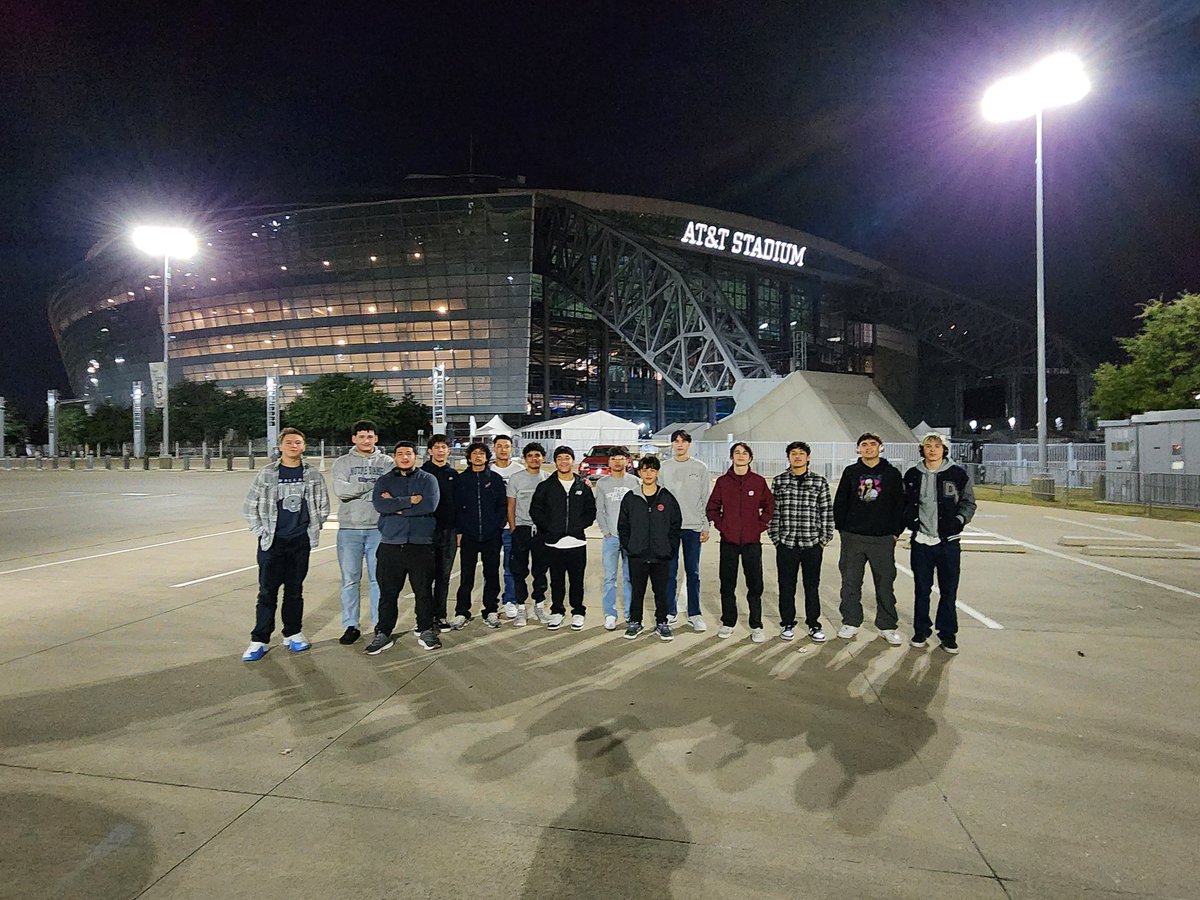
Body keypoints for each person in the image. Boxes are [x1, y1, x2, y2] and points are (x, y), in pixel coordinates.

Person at [241, 427, 331, 661]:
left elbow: (323, 506)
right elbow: (250, 505)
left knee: (295, 591)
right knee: (267, 592)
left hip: (299, 542)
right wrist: (261, 531)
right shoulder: (267, 474)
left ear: (304, 446)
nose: (294, 446)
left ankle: (293, 633)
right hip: (272, 543)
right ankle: (259, 639)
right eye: (289, 442)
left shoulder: (312, 475)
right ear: (280, 446)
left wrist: (311, 527)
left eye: (298, 442)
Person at [902, 432, 977, 655]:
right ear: (922, 449)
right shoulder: (913, 474)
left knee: (948, 590)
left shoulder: (957, 474)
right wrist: (910, 520)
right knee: (922, 589)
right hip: (922, 541)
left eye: (937, 446)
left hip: (948, 542)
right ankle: (921, 629)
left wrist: (958, 521)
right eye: (928, 446)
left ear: (944, 449)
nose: (932, 449)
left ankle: (947, 634)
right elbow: (904, 502)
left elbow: (968, 502)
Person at [365, 441, 441, 654]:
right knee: (388, 593)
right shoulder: (385, 480)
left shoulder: (428, 479)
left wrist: (396, 506)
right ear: (394, 457)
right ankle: (384, 632)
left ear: (416, 456)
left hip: (420, 545)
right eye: (400, 454)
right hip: (391, 544)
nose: (404, 457)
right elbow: (380, 505)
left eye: (409, 453)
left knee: (423, 591)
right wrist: (410, 501)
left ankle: (425, 628)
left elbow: (429, 506)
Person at [832, 432, 906, 645]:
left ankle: (887, 625)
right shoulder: (851, 472)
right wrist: (843, 529)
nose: (868, 448)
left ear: (880, 448)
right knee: (851, 582)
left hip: (882, 537)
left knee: (884, 583)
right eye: (864, 444)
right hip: (854, 536)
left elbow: (899, 504)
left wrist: (895, 532)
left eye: (873, 444)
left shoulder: (891, 473)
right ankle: (851, 621)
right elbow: (841, 502)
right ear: (858, 449)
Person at [706, 442, 774, 643]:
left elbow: (769, 507)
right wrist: (722, 526)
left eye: (745, 453)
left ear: (750, 458)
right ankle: (728, 621)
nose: (741, 456)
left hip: (752, 542)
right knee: (727, 584)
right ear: (732, 457)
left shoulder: (758, 482)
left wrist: (759, 526)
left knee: (755, 584)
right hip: (729, 542)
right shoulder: (723, 482)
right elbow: (712, 508)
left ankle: (756, 624)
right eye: (737, 453)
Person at [331, 420, 391, 646]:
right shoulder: (342, 462)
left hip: (379, 529)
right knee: (350, 580)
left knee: (379, 581)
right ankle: (351, 625)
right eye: (362, 437)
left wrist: (357, 490)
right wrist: (371, 489)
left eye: (370, 437)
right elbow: (341, 491)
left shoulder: (387, 462)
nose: (366, 441)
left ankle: (379, 624)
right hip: (350, 529)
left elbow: (389, 492)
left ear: (376, 438)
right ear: (354, 439)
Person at [768, 440, 834, 643]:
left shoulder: (819, 482)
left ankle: (814, 624)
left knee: (811, 585)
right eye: (793, 453)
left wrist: (823, 539)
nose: (797, 457)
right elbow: (773, 512)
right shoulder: (779, 481)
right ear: (788, 457)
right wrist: (775, 538)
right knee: (786, 585)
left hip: (811, 544)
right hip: (786, 544)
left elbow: (826, 512)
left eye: (801, 453)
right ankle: (787, 623)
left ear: (808, 457)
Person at [529, 446, 596, 631]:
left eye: (567, 457)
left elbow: (591, 512)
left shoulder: (582, 485)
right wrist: (550, 528)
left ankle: (578, 612)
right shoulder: (545, 487)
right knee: (556, 581)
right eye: (559, 458)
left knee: (577, 581)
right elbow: (536, 510)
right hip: (553, 543)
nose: (563, 461)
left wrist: (577, 526)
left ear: (572, 460)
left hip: (577, 542)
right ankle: (557, 611)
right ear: (555, 462)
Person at [618, 455, 682, 641]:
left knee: (660, 591)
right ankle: (635, 622)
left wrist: (669, 548)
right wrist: (629, 546)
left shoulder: (667, 498)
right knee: (637, 590)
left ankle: (662, 622)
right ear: (639, 472)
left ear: (657, 473)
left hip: (661, 555)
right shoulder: (631, 498)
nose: (648, 473)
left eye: (652, 470)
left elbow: (675, 525)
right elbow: (623, 525)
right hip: (637, 554)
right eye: (644, 470)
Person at [659, 429, 711, 632]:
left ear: (689, 444)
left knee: (693, 572)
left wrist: (706, 525)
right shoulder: (664, 468)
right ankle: (670, 612)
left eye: (683, 441)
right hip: (670, 529)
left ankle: (695, 613)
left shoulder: (700, 468)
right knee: (669, 572)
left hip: (693, 527)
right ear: (672, 444)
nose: (679, 444)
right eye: (676, 441)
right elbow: (659, 498)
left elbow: (705, 498)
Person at [452, 441, 508, 629]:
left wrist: (498, 526)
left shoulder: (495, 479)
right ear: (469, 457)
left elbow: (502, 505)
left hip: (492, 535)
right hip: (469, 535)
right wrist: (460, 530)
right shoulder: (462, 480)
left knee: (491, 574)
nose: (478, 456)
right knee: (466, 576)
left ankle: (491, 610)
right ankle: (461, 612)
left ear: (486, 457)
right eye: (474, 453)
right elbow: (457, 508)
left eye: (482, 454)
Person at [506, 441, 551, 626]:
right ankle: (521, 608)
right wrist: (513, 528)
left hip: (541, 531)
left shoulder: (548, 478)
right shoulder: (516, 479)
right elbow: (511, 506)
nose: (534, 459)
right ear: (525, 459)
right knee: (519, 571)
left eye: (538, 455)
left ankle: (539, 605)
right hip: (521, 529)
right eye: (530, 456)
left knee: (540, 570)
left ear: (543, 458)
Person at [593, 446, 636, 630]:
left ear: (627, 460)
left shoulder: (635, 482)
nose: (617, 461)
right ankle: (610, 614)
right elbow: (600, 509)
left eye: (621, 458)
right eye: (613, 458)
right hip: (611, 537)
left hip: (631, 537)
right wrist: (606, 531)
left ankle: (629, 613)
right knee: (609, 577)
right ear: (609, 462)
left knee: (629, 577)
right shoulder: (603, 483)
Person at [420, 433, 457, 633]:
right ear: (430, 451)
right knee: (425, 577)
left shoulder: (453, 474)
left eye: (444, 447)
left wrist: (458, 531)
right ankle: (426, 617)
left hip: (448, 532)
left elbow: (459, 505)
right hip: (426, 531)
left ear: (448, 450)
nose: (440, 450)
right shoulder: (422, 473)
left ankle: (440, 615)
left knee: (444, 576)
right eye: (437, 447)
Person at [490, 434, 522, 619]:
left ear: (512, 449)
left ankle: (510, 600)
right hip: (492, 528)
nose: (503, 449)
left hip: (512, 526)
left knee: (511, 566)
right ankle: (491, 604)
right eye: (499, 446)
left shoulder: (519, 470)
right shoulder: (487, 470)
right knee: (491, 567)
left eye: (507, 446)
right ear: (494, 448)